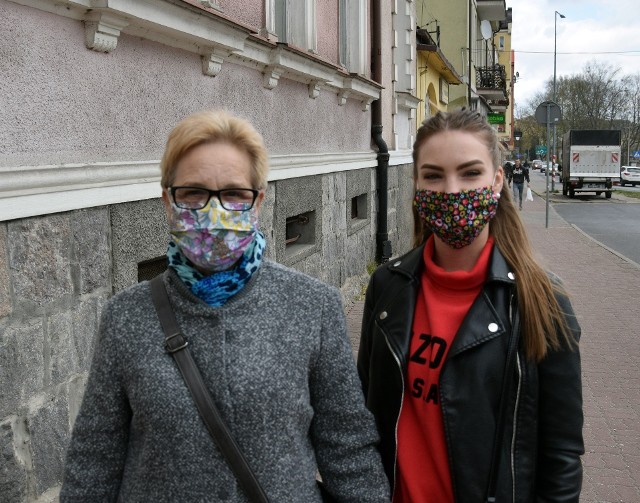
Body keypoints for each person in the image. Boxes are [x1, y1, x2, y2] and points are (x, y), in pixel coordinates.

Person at [61, 110, 390, 502]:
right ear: (168, 201)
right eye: (193, 193)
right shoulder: (127, 317)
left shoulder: (313, 307)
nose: (213, 212)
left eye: (234, 194)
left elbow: (347, 448)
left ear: (257, 202)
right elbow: (95, 461)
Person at [358, 109, 583, 502]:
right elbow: (364, 415)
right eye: (433, 175)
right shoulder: (387, 287)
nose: (451, 191)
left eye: (470, 173)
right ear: (416, 184)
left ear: (497, 181)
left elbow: (561, 454)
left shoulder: (541, 300)